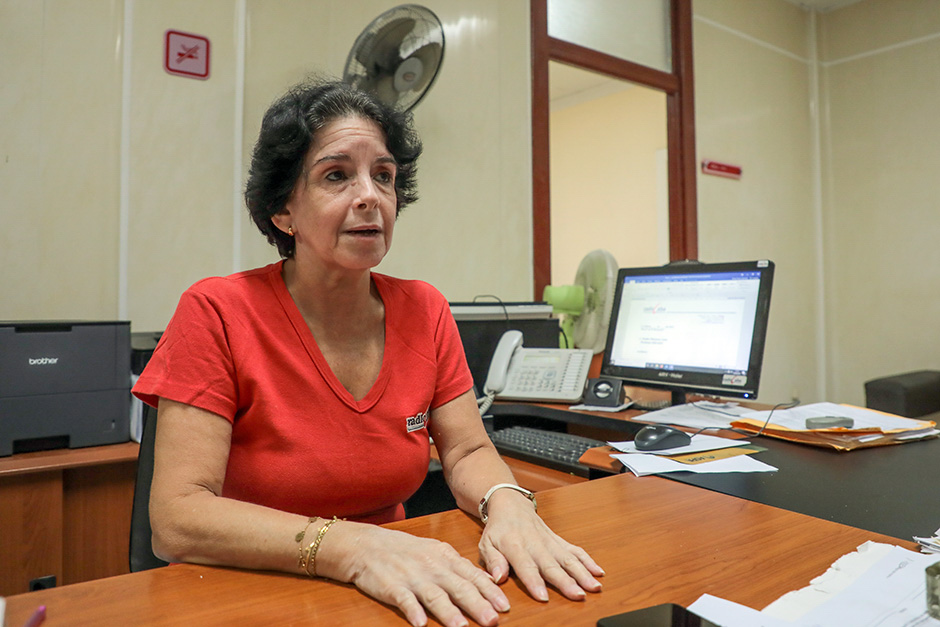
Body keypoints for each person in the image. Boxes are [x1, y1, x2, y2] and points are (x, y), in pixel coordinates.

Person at [133, 77, 603, 627]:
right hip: (251, 590)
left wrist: (509, 504)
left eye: (383, 176)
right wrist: (353, 548)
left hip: (395, 584)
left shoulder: (425, 309)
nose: (370, 196)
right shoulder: (216, 310)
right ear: (283, 211)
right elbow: (178, 519)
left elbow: (467, 451)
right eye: (336, 175)